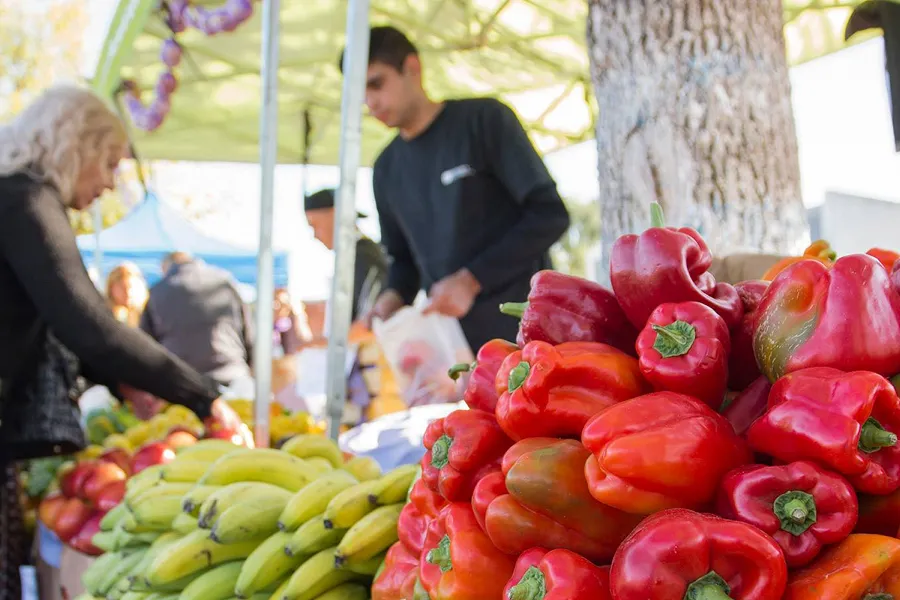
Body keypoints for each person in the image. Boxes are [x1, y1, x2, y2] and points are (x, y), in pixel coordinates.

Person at [0, 85, 244, 598]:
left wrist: (121, 382)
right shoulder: (25, 199)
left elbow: (56, 323)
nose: (111, 184)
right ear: (77, 145)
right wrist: (202, 395)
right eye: (109, 163)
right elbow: (89, 325)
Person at [341, 26, 570, 351]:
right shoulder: (385, 169)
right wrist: (391, 300)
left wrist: (472, 279)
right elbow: (403, 264)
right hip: (454, 356)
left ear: (412, 68)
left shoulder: (485, 121)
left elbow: (550, 214)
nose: (370, 102)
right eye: (358, 94)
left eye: (375, 83)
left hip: (530, 338)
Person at [140, 252, 254, 388]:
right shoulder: (225, 282)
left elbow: (146, 345)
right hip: (232, 375)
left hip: (181, 381)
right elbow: (248, 333)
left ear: (166, 267)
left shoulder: (157, 291)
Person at [304, 188, 389, 324]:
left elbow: (371, 324)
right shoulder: (354, 256)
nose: (315, 235)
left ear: (336, 215)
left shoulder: (364, 256)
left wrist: (310, 344)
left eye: (315, 225)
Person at [106, 261, 148, 327]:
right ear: (111, 288)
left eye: (131, 287)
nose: (128, 292)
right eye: (122, 287)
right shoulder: (105, 315)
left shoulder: (149, 314)